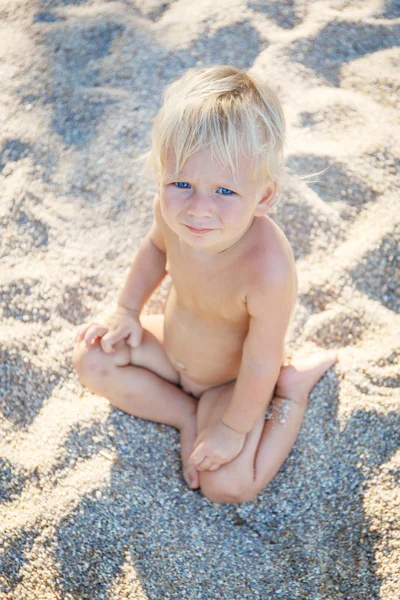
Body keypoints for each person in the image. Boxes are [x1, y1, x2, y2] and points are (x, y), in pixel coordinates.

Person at [72, 65, 337, 503]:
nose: (198, 209)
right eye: (181, 183)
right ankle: (184, 417)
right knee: (91, 358)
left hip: (231, 380)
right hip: (172, 348)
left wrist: (232, 430)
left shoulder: (266, 267)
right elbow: (157, 250)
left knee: (229, 486)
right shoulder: (169, 211)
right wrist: (127, 310)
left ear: (264, 196)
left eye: (225, 192)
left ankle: (292, 393)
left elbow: (258, 359)